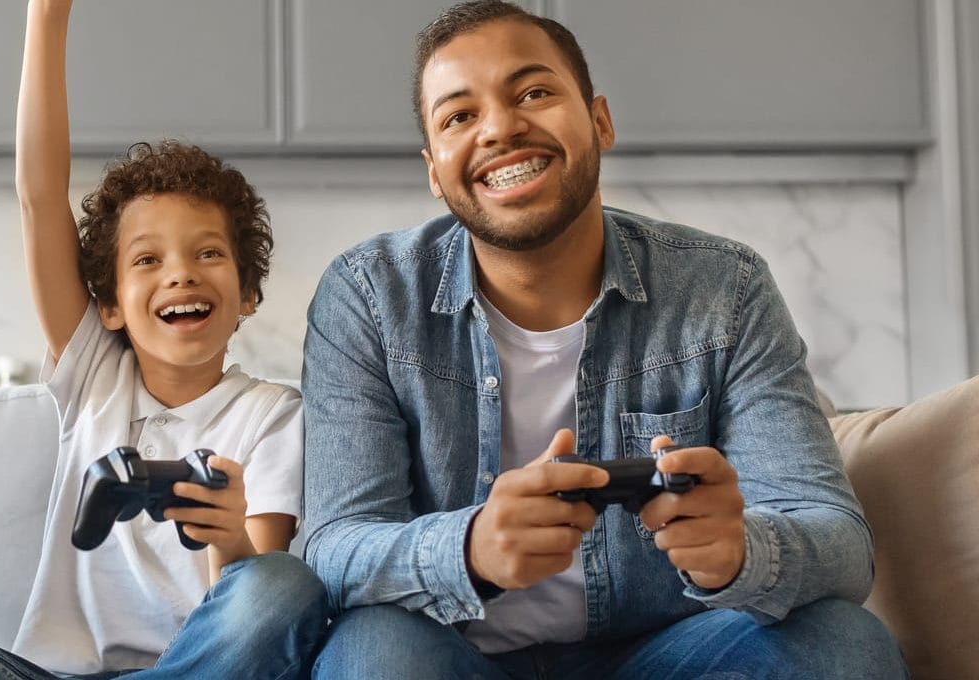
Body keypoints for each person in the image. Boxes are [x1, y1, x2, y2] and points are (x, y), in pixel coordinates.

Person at [298, 2, 906, 678]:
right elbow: (332, 549)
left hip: (663, 653)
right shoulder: (369, 295)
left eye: (534, 92)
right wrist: (469, 549)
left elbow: (839, 542)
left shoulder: (724, 288)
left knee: (843, 642)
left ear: (600, 122)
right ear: (435, 171)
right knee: (373, 653)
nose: (499, 128)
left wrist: (742, 551)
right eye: (459, 117)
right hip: (454, 654)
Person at [0, 0, 327, 677]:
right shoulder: (96, 373)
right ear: (110, 306)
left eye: (209, 253)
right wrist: (47, 16)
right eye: (148, 260)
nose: (181, 273)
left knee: (283, 586)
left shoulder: (273, 414)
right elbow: (40, 195)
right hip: (53, 673)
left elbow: (257, 608)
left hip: (196, 666)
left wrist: (228, 537)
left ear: (247, 294)